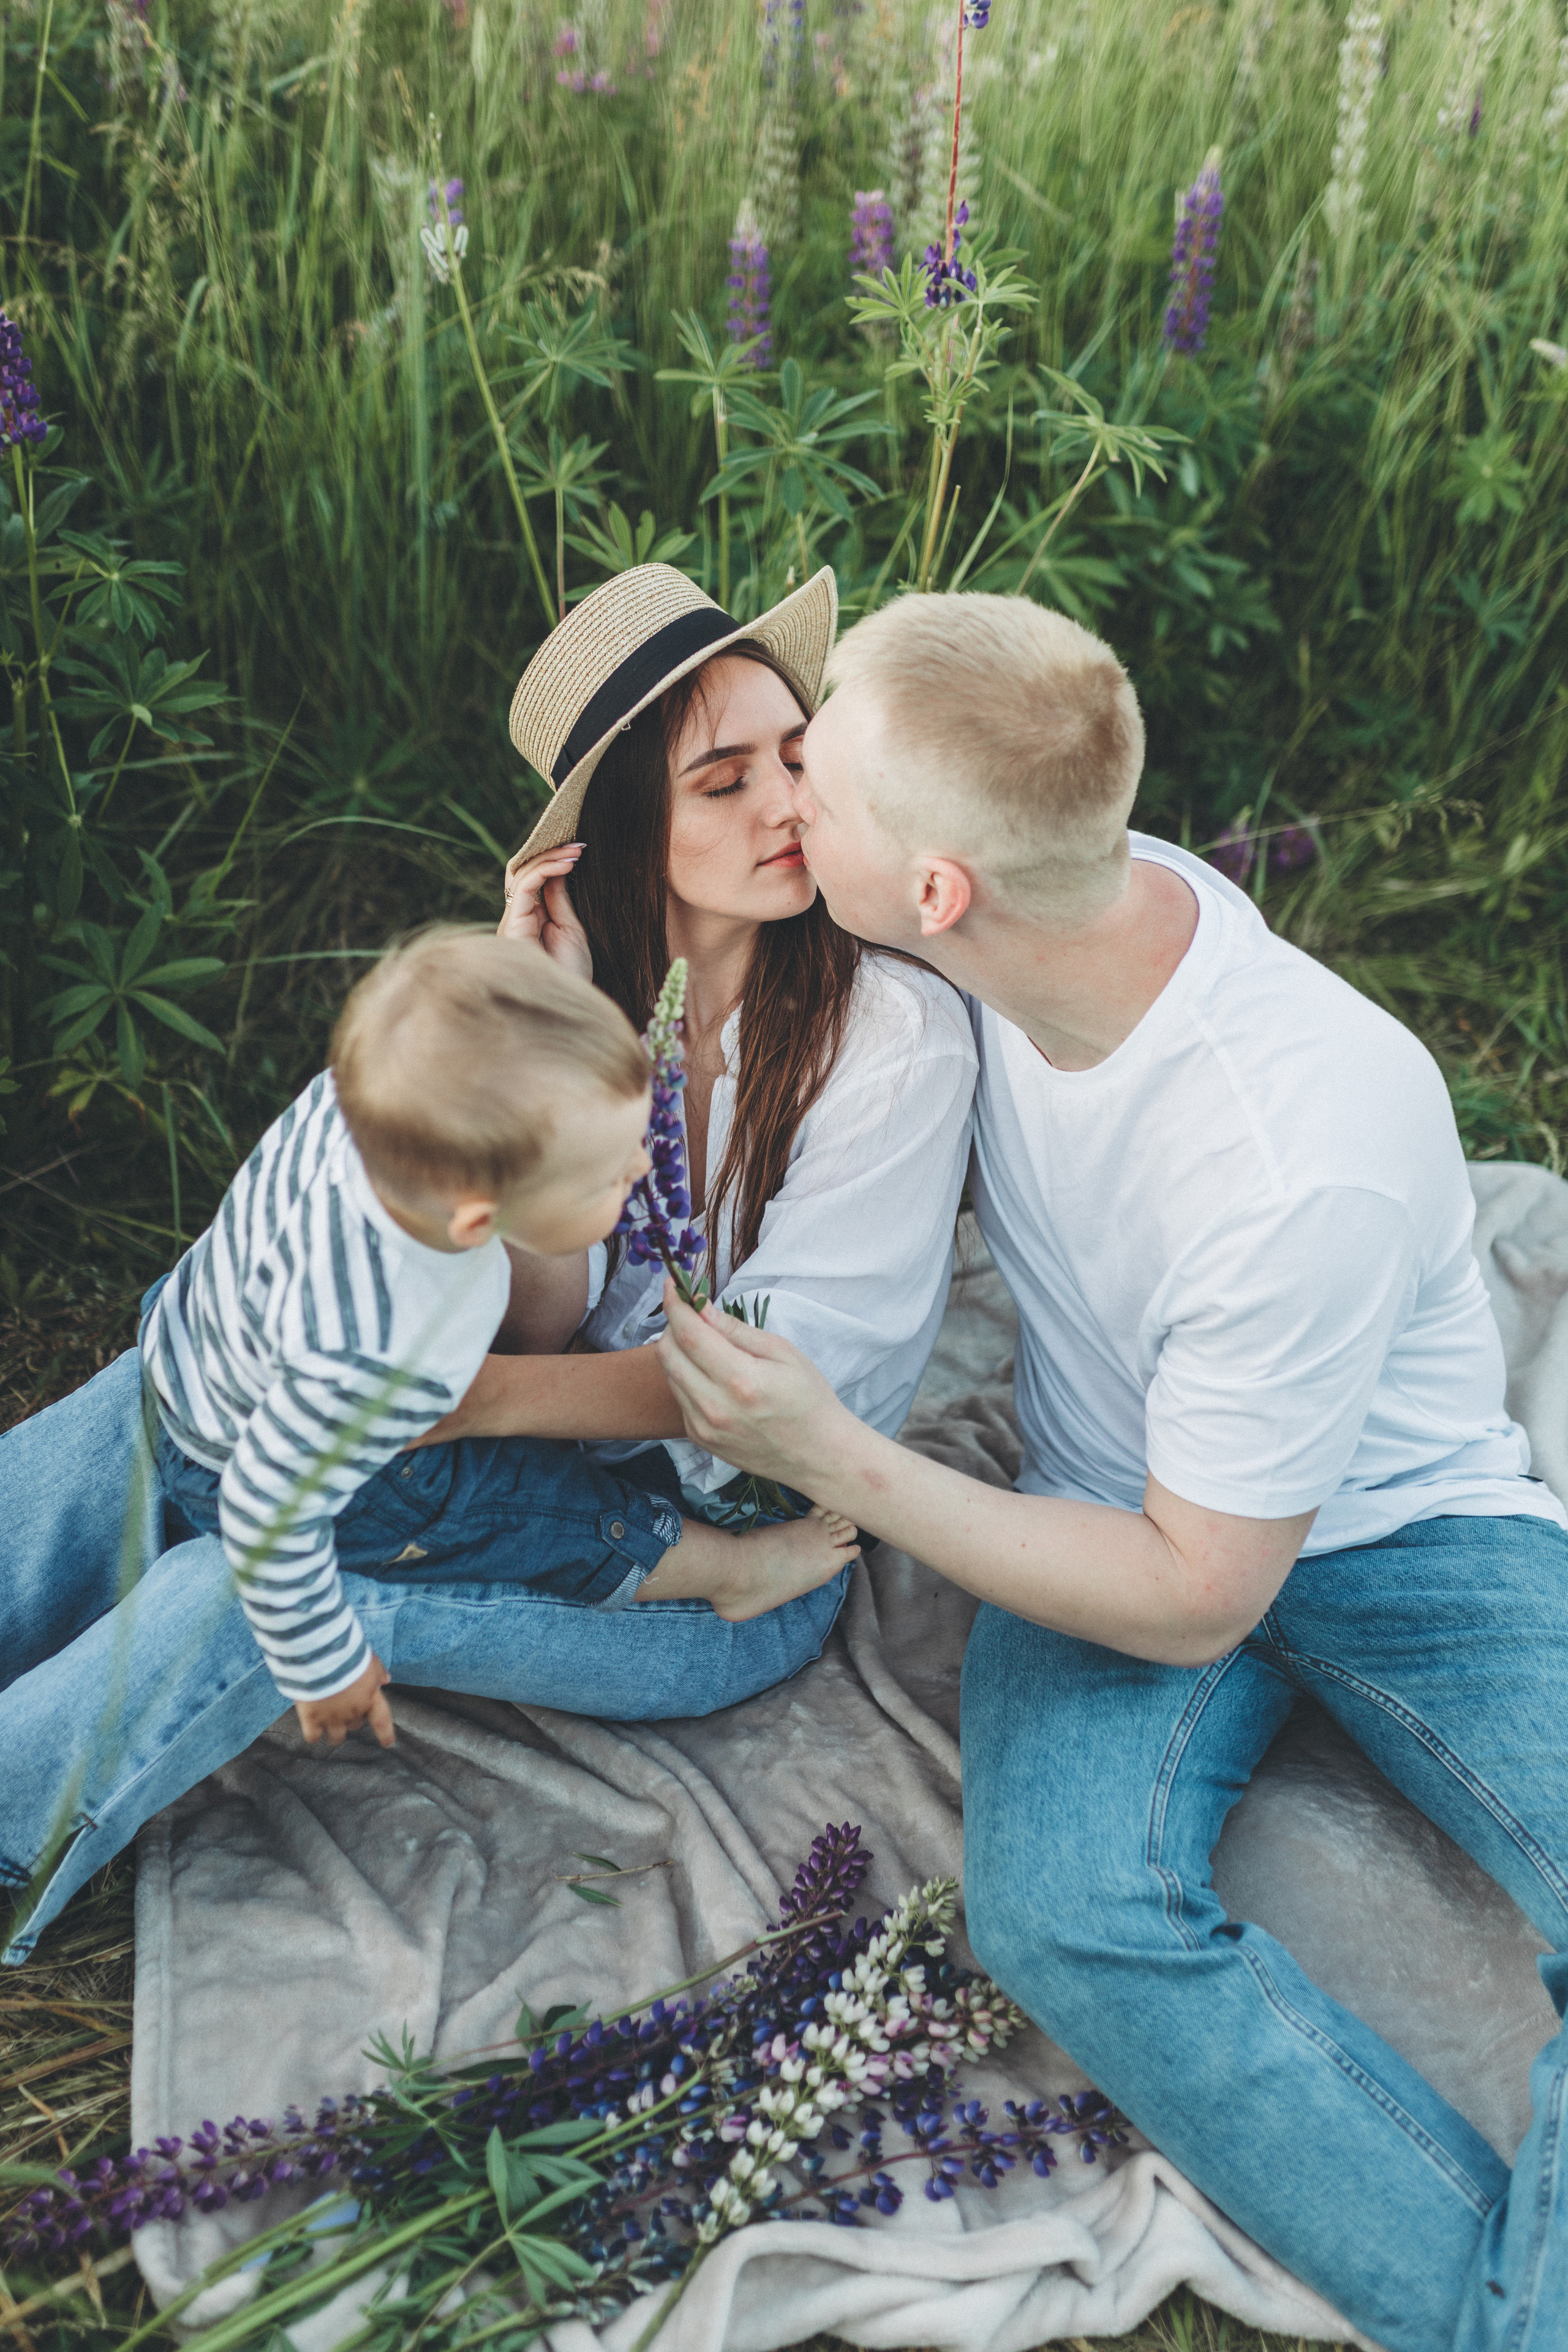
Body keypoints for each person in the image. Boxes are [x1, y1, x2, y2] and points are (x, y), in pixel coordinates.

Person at [655, 589, 1568, 2352]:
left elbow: (1197, 1593)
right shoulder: (1008, 899)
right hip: (1098, 1500)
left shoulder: (1301, 1149)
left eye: (818, 792)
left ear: (935, 893)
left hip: (1407, 1536)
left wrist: (833, 1455)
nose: (789, 816)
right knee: (1065, 1911)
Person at [0, 562, 975, 1964]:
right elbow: (534, 1309)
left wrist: (466, 1403)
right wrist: (554, 1026)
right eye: (723, 782)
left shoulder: (889, 1040)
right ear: (624, 833)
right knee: (167, 1384)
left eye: (796, 757)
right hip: (495, 1437)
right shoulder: (555, 1004)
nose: (786, 806)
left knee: (252, 1579)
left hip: (726, 1547)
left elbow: (768, 1395)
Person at [141, 927, 858, 1751]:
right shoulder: (382, 1346)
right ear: (480, 1220)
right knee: (538, 1509)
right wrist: (323, 1664)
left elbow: (478, 1056)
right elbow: (266, 1507)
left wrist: (551, 994)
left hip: (191, 1353)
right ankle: (734, 1575)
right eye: (606, 1175)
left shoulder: (370, 1105)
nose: (640, 1169)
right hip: (281, 1463)